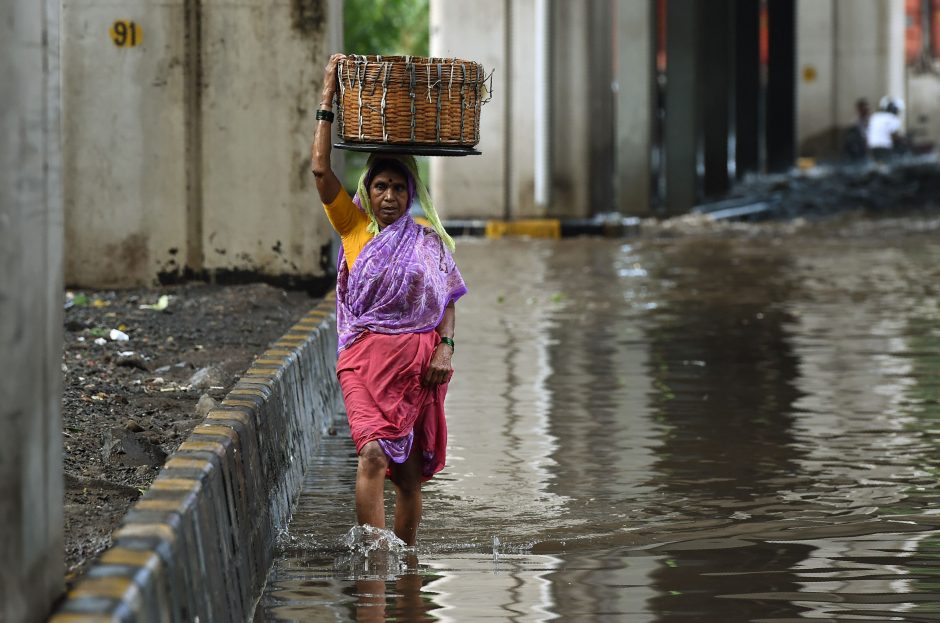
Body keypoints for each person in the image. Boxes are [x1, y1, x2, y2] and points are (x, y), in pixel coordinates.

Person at [310, 53, 467, 546]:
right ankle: (378, 563)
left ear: (411, 191)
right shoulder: (355, 230)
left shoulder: (428, 240)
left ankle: (407, 568)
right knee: (373, 455)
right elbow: (319, 170)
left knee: (410, 475)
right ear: (368, 190)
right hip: (365, 360)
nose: (390, 196)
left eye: (399, 187)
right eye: (381, 186)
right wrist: (328, 96)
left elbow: (446, 300)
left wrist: (446, 348)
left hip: (419, 364)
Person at [867, 97, 904, 162]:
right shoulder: (892, 118)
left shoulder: (874, 117)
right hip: (885, 148)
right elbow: (894, 136)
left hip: (872, 148)